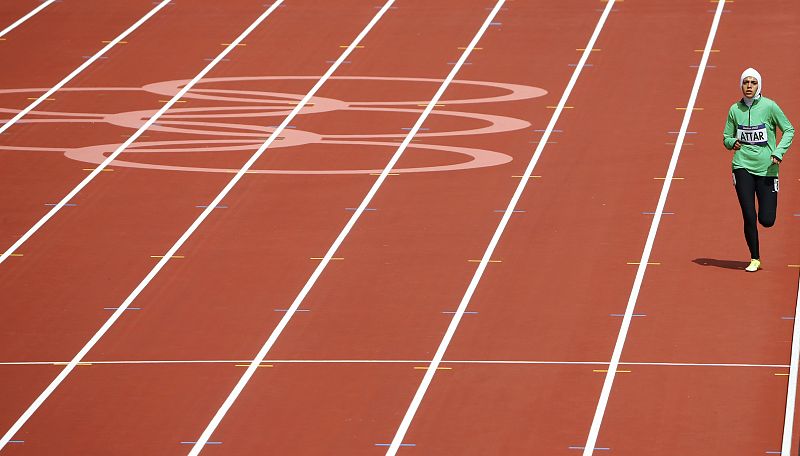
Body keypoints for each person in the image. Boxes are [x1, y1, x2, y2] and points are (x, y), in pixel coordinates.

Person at [723, 68, 794, 272]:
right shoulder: (734, 109)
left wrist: (778, 152)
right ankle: (755, 258)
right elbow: (726, 136)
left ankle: (764, 227)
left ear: (759, 85)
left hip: (767, 169)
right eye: (746, 82)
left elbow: (789, 129)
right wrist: (732, 142)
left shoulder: (770, 107)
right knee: (748, 214)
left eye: (753, 83)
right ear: (741, 85)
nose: (749, 86)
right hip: (742, 166)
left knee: (767, 220)